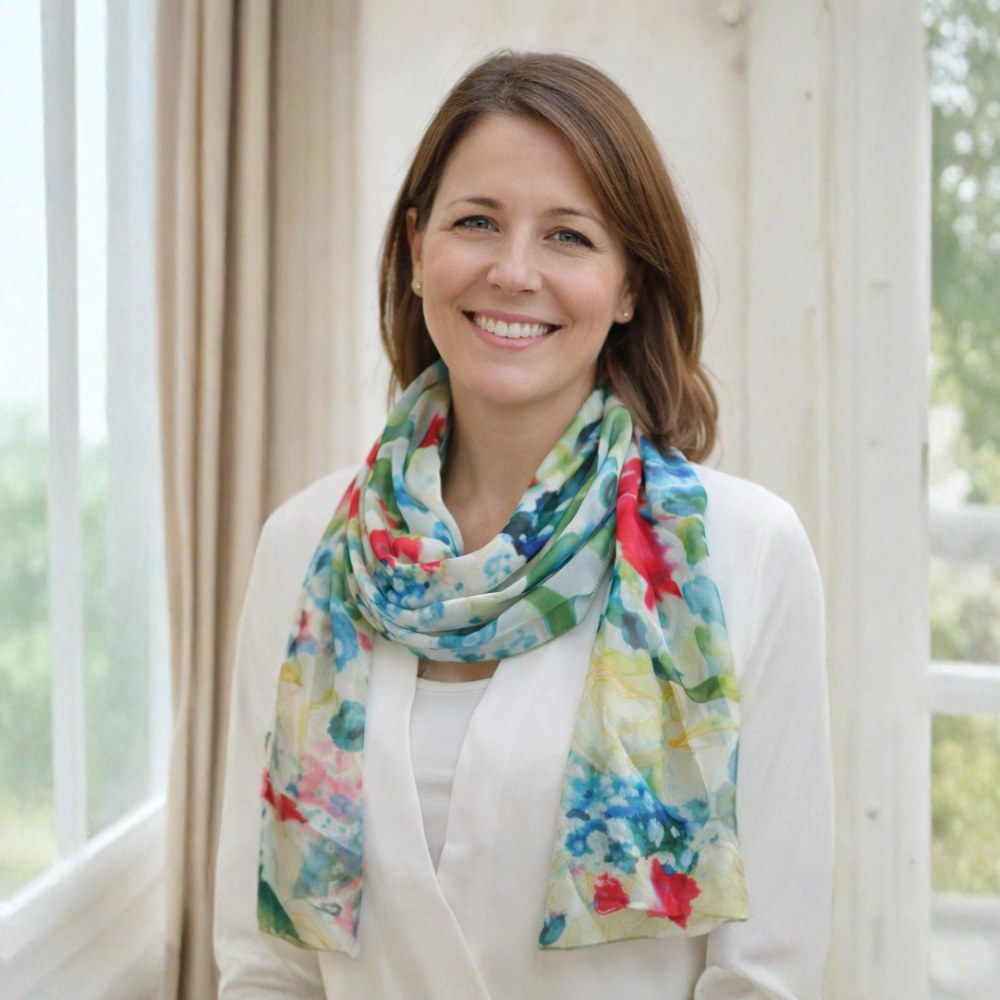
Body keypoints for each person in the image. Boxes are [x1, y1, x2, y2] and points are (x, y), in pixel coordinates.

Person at [215, 51, 833, 999]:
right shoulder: (304, 546)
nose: (512, 271)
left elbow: (766, 979)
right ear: (417, 249)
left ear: (629, 286)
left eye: (568, 237)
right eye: (477, 222)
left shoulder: (748, 553)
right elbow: (265, 966)